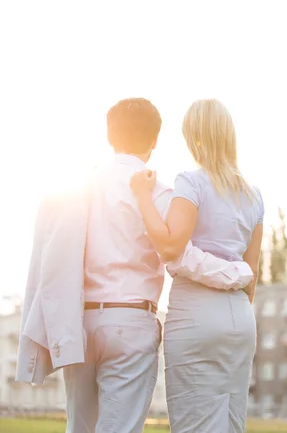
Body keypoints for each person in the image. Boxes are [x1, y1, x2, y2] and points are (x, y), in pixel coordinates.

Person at [17, 97, 253, 433]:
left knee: (79, 427)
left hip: (78, 321)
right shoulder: (158, 192)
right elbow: (179, 255)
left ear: (109, 136)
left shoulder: (76, 188)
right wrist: (239, 273)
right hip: (131, 321)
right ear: (154, 141)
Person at [131, 98, 264, 433]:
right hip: (241, 320)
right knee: (231, 424)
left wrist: (143, 196)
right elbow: (253, 274)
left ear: (194, 137)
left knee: (194, 424)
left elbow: (171, 245)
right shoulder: (254, 195)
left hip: (197, 315)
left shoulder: (191, 183)